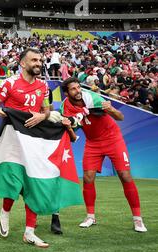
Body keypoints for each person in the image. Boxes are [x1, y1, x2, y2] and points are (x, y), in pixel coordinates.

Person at [60, 77, 147, 233]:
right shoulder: (65, 108)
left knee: (125, 175)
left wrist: (111, 109)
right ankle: (90, 217)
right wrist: (69, 127)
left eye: (78, 87)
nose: (78, 91)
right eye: (73, 89)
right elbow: (72, 135)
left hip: (113, 139)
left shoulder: (92, 98)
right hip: (93, 143)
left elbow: (121, 117)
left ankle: (138, 219)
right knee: (87, 177)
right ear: (67, 93)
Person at [0, 48, 52, 248]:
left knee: (32, 182)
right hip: (12, 136)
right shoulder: (10, 83)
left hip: (34, 138)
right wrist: (0, 112)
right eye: (34, 60)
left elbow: (47, 109)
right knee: (13, 180)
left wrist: (43, 116)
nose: (38, 63)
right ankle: (5, 212)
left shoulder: (43, 85)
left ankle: (30, 232)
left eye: (40, 60)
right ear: (23, 63)